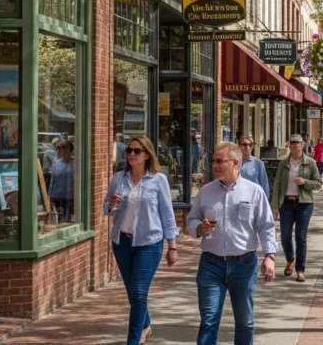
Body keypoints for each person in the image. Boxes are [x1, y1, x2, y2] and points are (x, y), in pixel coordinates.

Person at [187, 143, 278, 345]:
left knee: (245, 322)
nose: (214, 165)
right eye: (213, 161)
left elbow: (266, 226)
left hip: (244, 264)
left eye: (220, 161)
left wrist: (269, 256)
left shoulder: (253, 192)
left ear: (236, 163)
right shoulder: (205, 192)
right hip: (211, 264)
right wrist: (199, 228)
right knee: (209, 320)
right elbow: (191, 220)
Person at [104, 136, 178, 345]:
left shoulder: (158, 179)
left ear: (147, 154)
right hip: (122, 242)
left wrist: (172, 245)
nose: (132, 155)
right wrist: (111, 203)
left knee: (138, 291)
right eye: (129, 150)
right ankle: (145, 324)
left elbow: (167, 213)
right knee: (133, 292)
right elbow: (106, 208)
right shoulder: (119, 178)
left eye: (137, 151)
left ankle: (133, 340)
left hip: (149, 243)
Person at [270, 134, 323, 282]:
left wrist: (305, 181)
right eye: (291, 143)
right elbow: (278, 185)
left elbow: (318, 183)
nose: (294, 145)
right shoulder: (283, 164)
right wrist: (275, 206)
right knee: (285, 236)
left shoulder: (310, 163)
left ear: (302, 145)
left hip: (304, 203)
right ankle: (290, 259)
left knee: (301, 237)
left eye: (297, 143)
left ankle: (300, 270)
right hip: (286, 203)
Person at [48, 139, 76, 222]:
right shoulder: (56, 164)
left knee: (68, 220)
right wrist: (50, 195)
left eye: (65, 150)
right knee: (58, 220)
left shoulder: (75, 164)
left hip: (70, 198)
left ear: (70, 151)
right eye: (61, 150)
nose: (63, 152)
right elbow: (53, 180)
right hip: (57, 196)